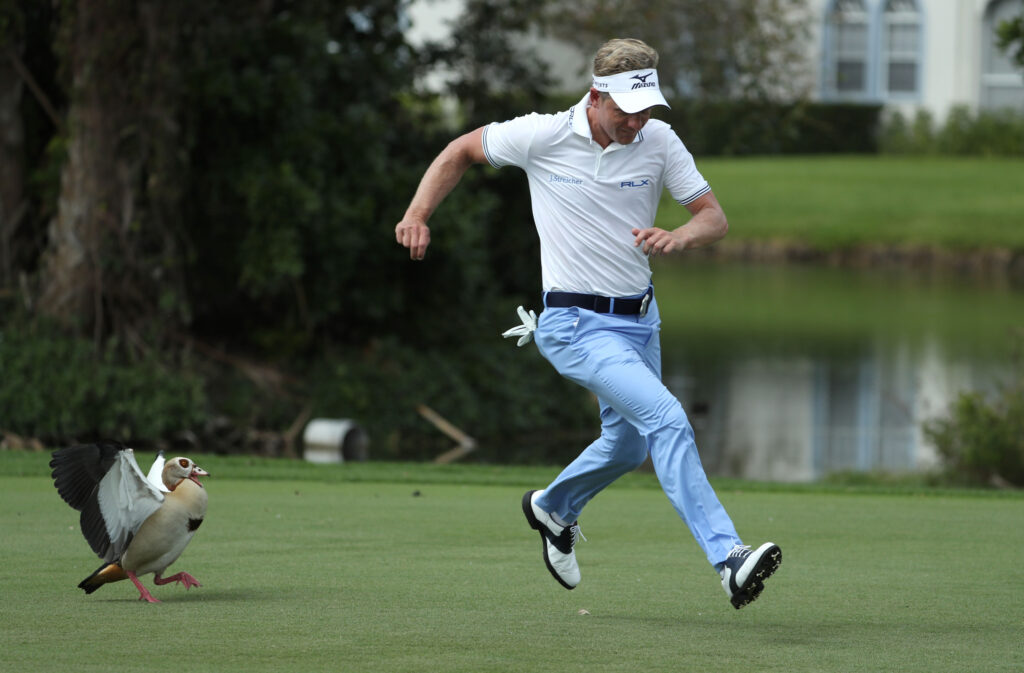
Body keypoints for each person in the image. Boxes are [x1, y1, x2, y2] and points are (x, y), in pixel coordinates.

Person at [395, 38, 781, 609]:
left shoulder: (658, 139)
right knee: (667, 419)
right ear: (596, 96)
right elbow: (458, 151)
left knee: (627, 446)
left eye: (646, 108)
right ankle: (728, 558)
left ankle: (553, 507)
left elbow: (713, 218)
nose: (637, 120)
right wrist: (417, 215)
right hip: (573, 324)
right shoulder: (543, 135)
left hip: (640, 322)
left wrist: (679, 235)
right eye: (626, 109)